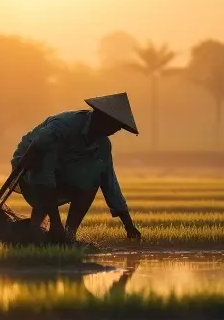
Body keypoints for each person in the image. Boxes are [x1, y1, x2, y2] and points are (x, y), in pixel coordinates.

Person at [12, 92, 142, 243]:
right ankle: (38, 229)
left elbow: (109, 182)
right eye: (115, 125)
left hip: (61, 172)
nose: (116, 130)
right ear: (101, 117)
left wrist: (128, 225)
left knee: (92, 182)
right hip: (31, 164)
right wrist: (55, 222)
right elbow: (44, 174)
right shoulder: (63, 126)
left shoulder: (102, 145)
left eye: (119, 127)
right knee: (43, 174)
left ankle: (68, 235)